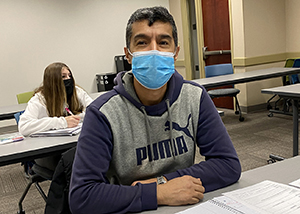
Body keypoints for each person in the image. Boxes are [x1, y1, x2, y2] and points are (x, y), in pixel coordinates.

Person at [69, 6, 241, 213]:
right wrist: (158, 192)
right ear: (128, 55)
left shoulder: (194, 97)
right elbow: (82, 196)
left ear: (175, 53)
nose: (153, 50)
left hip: (183, 205)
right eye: (142, 42)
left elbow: (228, 165)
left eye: (163, 42)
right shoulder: (102, 113)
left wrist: (163, 182)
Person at [19, 62, 93, 170]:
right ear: (53, 81)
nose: (68, 79)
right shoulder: (39, 99)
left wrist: (79, 118)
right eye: (63, 76)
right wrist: (62, 122)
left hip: (73, 145)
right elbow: (24, 127)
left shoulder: (76, 91)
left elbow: (94, 110)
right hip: (49, 152)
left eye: (69, 75)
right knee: (76, 161)